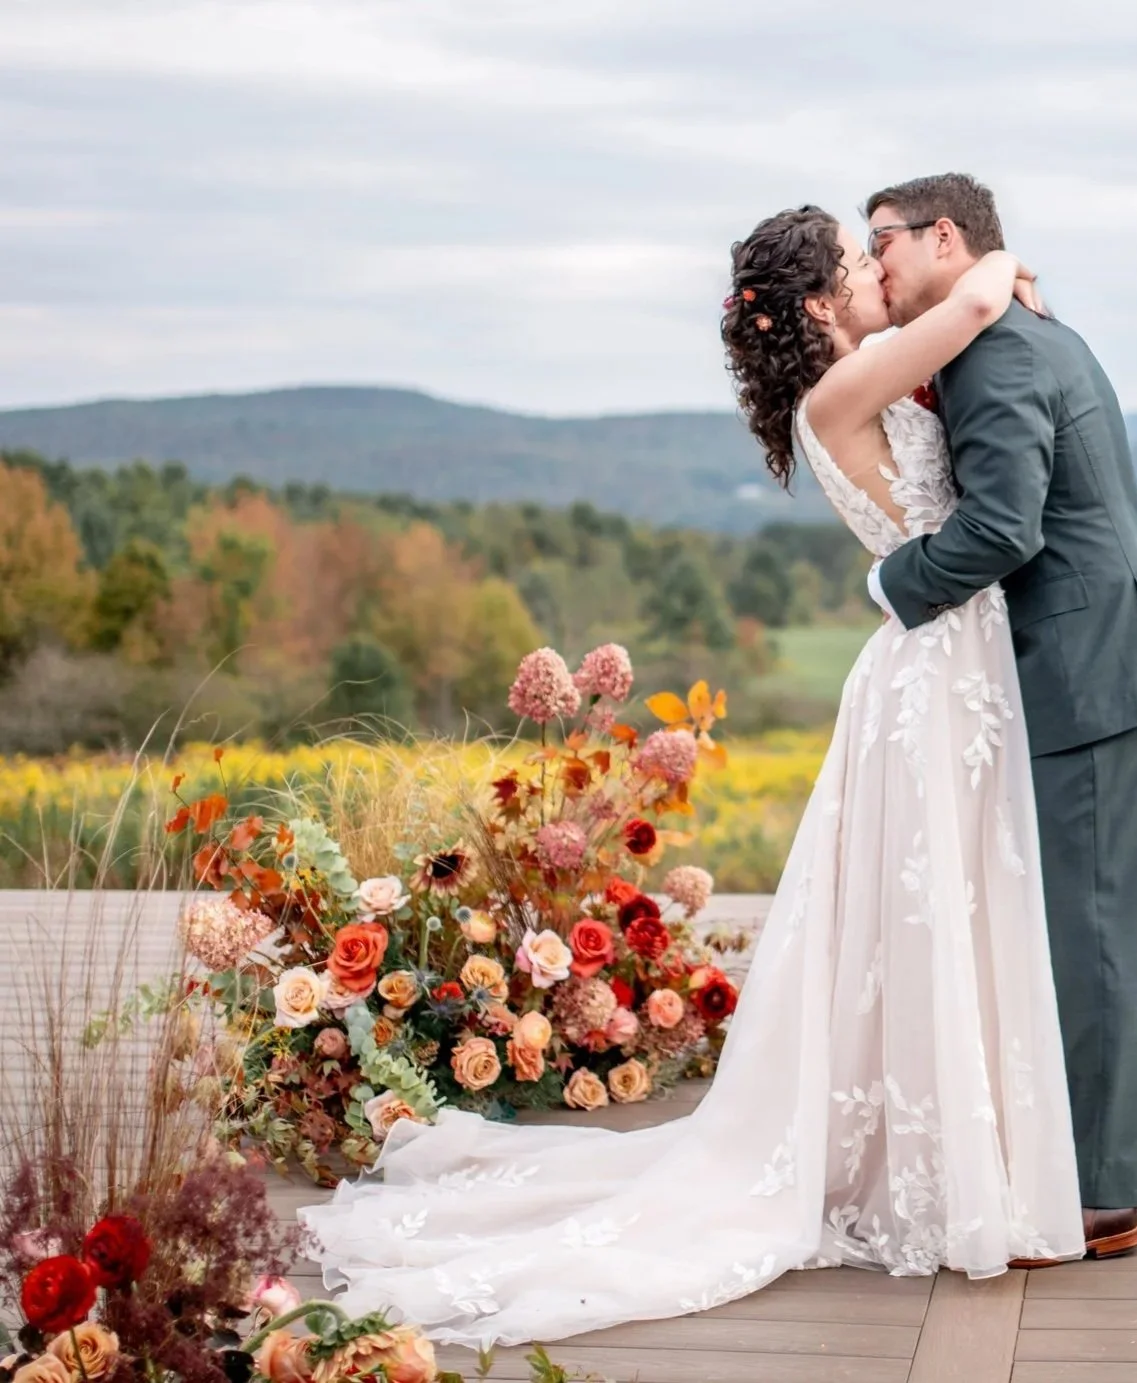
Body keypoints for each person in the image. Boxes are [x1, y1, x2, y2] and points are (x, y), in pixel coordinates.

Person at [300, 201, 1088, 1347]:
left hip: (944, 665)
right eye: (860, 264)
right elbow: (972, 298)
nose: (879, 274)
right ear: (822, 308)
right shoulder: (846, 386)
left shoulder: (850, 385)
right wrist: (1002, 257)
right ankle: (943, 1168)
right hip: (937, 671)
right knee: (933, 909)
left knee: (938, 911)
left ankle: (955, 1150)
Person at [863, 174, 1137, 1260]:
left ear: (945, 237)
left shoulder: (996, 355)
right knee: (1115, 925)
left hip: (1091, 666)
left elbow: (1005, 530)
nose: (875, 264)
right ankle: (1131, 1160)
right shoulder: (1022, 329)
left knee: (1091, 930)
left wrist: (892, 587)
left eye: (884, 242)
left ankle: (1100, 1196)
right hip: (1125, 652)